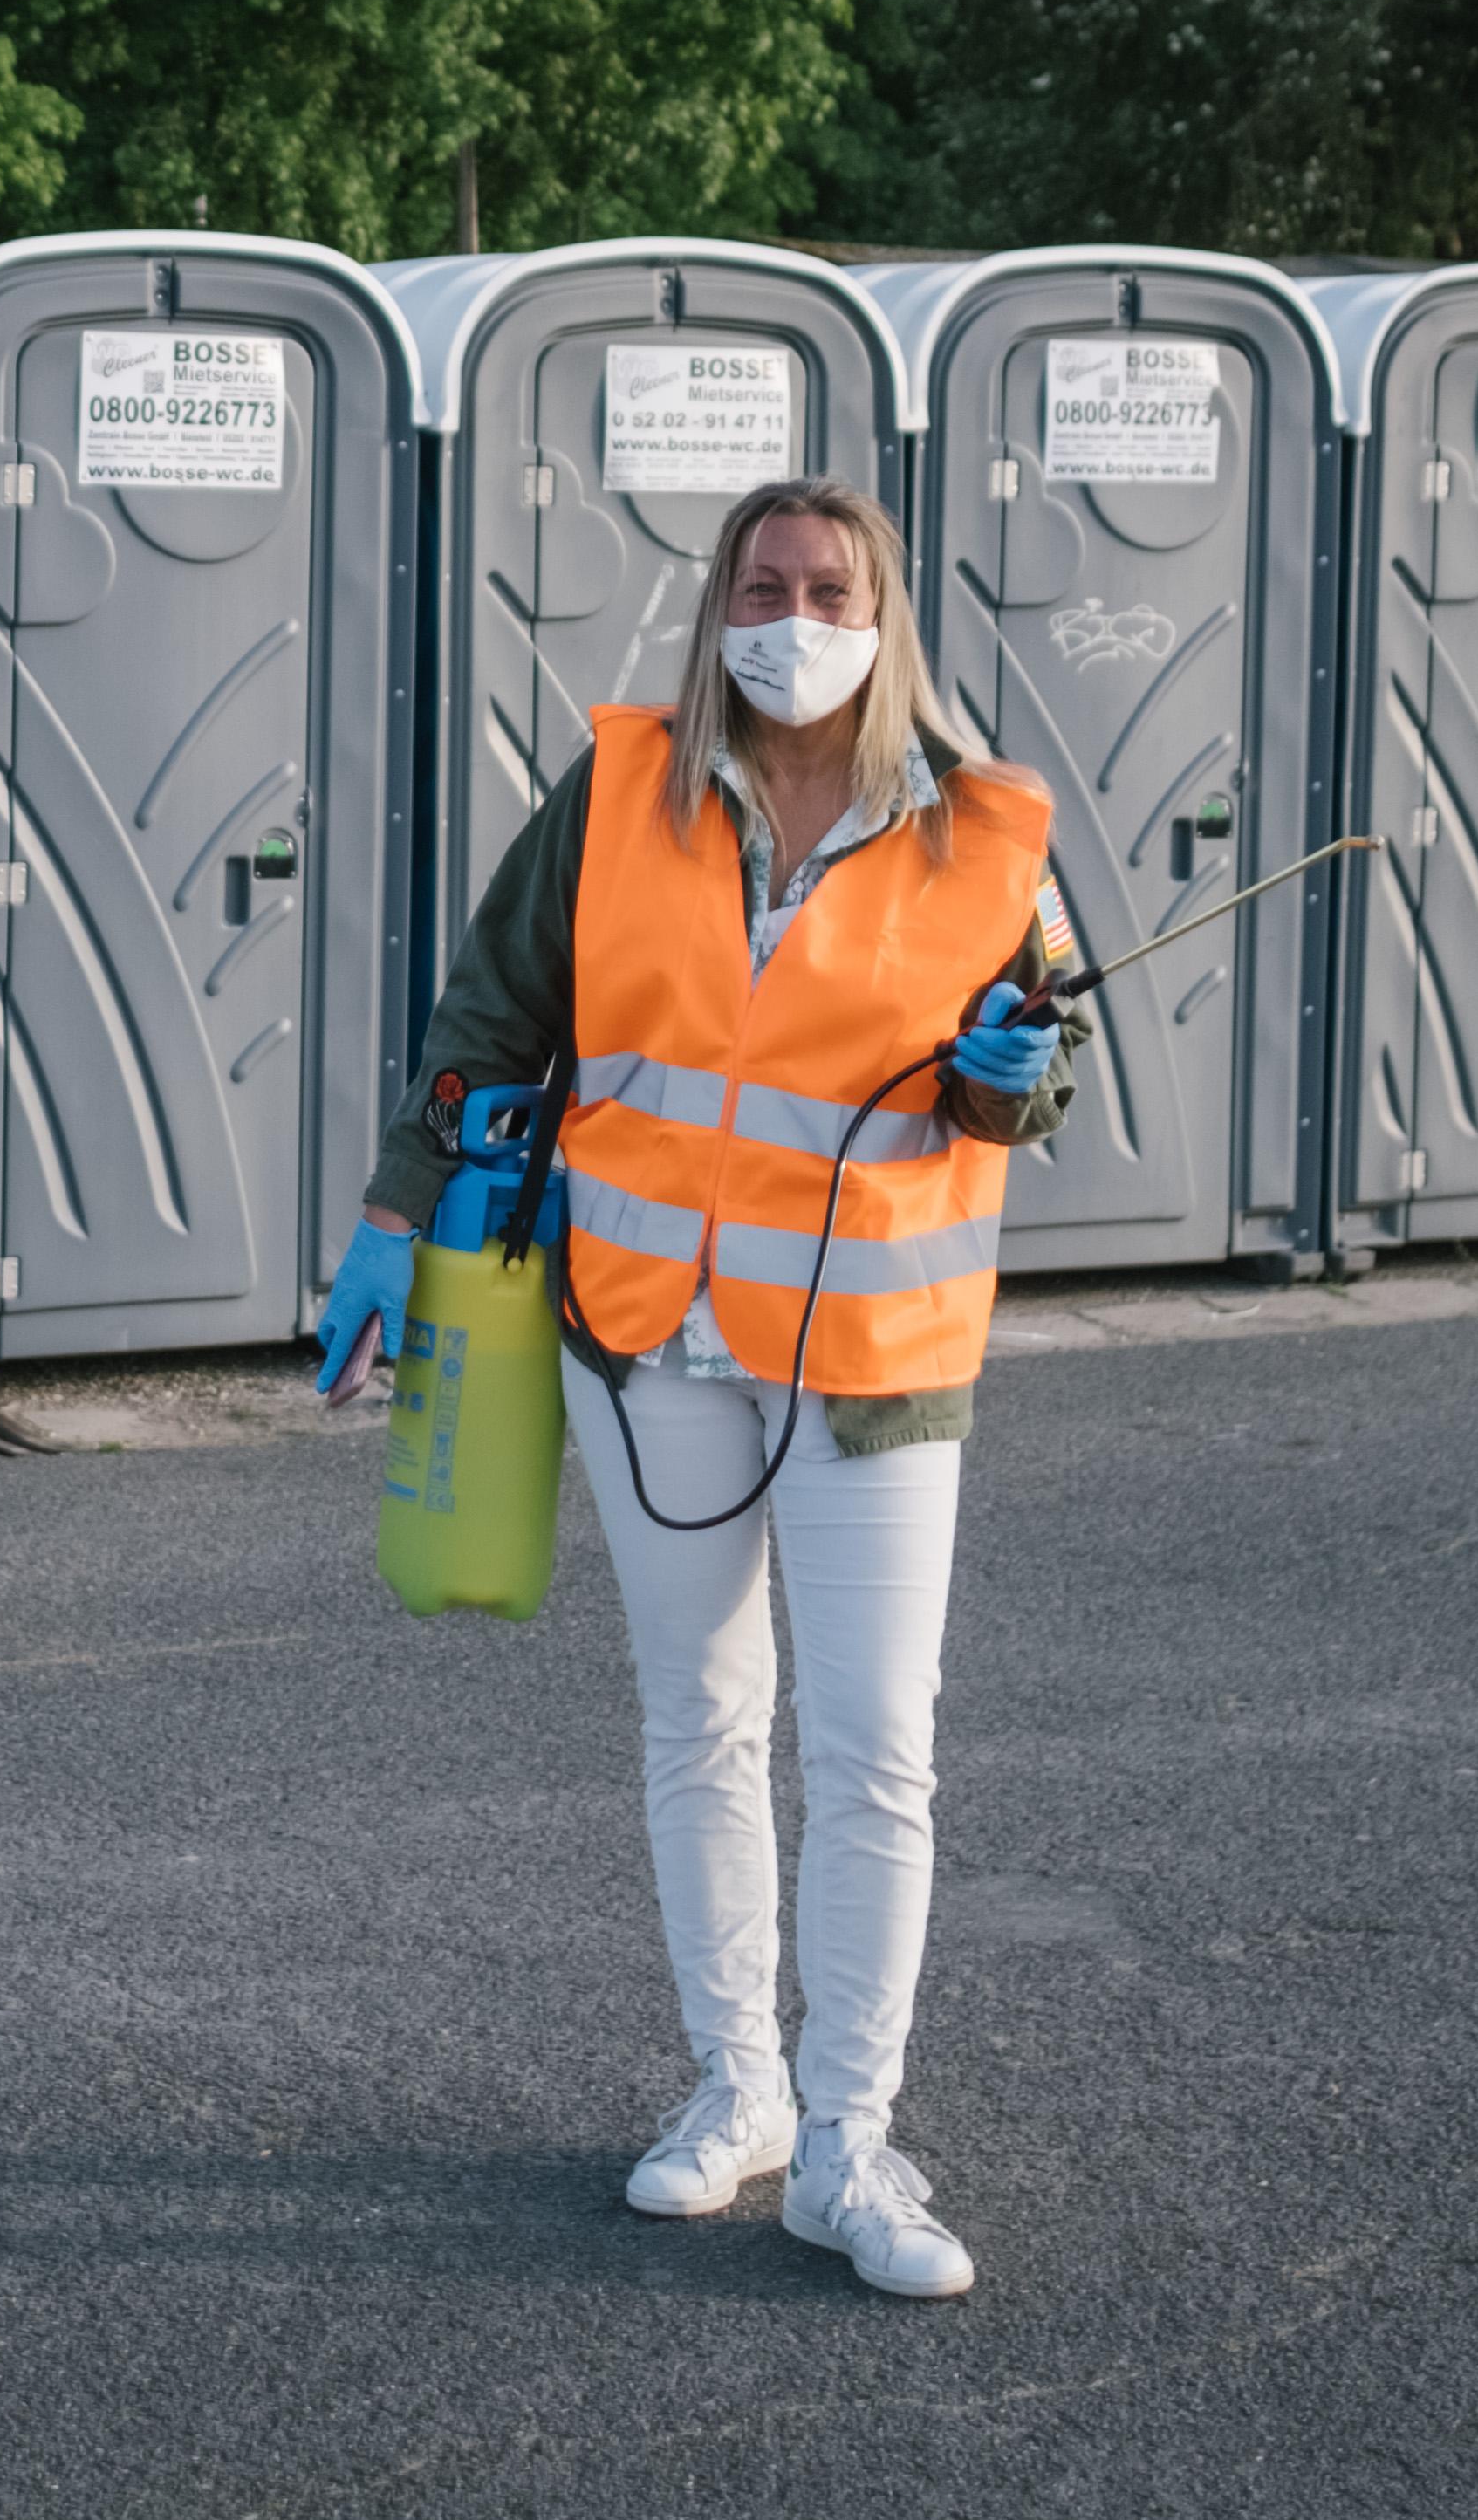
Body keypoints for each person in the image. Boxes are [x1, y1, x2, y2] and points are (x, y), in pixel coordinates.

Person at [312, 477, 1087, 2302]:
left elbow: (1043, 1066)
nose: (794, 615)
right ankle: (736, 2088)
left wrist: (1008, 1075)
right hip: (645, 1331)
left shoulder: (981, 825)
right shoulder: (623, 786)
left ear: (888, 614)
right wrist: (390, 1219)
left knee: (877, 1752)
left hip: (873, 1356)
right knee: (700, 1718)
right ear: (716, 600)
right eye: (764, 582)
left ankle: (848, 2142)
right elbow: (491, 1013)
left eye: (830, 587)